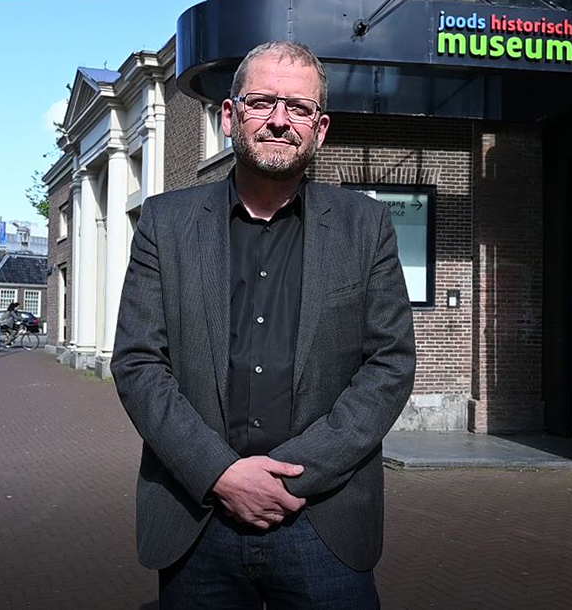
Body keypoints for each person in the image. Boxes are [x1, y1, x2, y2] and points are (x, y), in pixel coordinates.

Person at [112, 41, 416, 609]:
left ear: (320, 129)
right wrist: (220, 473)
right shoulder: (165, 224)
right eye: (262, 102)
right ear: (229, 117)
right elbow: (138, 363)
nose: (280, 120)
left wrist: (291, 479)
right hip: (198, 519)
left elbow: (390, 365)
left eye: (299, 108)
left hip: (323, 524)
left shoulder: (365, 226)